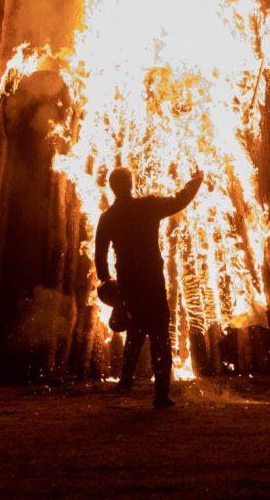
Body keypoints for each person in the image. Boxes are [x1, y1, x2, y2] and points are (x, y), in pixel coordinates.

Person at [95, 166, 204, 408]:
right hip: (152, 280)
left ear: (112, 188)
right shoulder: (147, 206)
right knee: (159, 334)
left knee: (136, 328)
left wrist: (108, 283)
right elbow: (179, 200)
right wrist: (195, 181)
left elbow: (100, 255)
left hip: (128, 283)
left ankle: (126, 380)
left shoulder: (108, 218)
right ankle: (161, 393)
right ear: (130, 184)